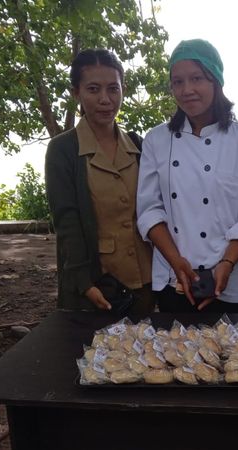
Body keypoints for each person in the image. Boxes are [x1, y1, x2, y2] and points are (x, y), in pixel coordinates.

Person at [137, 39, 238, 313]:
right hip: (175, 279)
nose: (187, 90)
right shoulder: (156, 140)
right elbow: (149, 210)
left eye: (196, 78)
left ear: (216, 81)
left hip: (228, 281)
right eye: (177, 82)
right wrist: (176, 262)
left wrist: (226, 264)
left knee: (231, 355)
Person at [45, 49, 154, 316]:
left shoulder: (138, 146)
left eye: (113, 89)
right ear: (76, 93)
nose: (105, 99)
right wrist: (83, 282)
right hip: (98, 285)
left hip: (145, 281)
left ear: (123, 90)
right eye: (93, 89)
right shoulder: (64, 149)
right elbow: (67, 220)